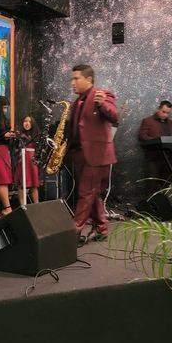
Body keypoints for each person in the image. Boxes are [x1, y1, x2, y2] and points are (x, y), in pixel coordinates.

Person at [67, 64, 118, 244]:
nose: (72, 82)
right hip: (80, 154)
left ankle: (74, 232)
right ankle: (101, 228)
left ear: (88, 79)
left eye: (76, 78)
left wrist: (102, 104)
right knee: (93, 194)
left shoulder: (103, 95)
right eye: (72, 79)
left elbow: (115, 116)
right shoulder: (76, 102)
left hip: (97, 156)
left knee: (85, 193)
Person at [138, 100, 172, 195]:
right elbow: (142, 136)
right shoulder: (148, 121)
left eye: (168, 113)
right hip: (153, 158)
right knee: (152, 183)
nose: (165, 115)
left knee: (167, 183)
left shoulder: (171, 123)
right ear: (158, 109)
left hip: (168, 158)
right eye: (163, 112)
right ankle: (150, 203)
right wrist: (156, 141)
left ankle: (166, 202)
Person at [13, 115, 41, 205]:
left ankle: (37, 205)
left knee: (34, 185)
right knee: (21, 185)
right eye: (25, 121)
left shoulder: (36, 135)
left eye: (29, 122)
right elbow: (14, 149)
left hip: (32, 161)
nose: (27, 123)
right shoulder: (18, 135)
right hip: (21, 161)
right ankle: (23, 206)